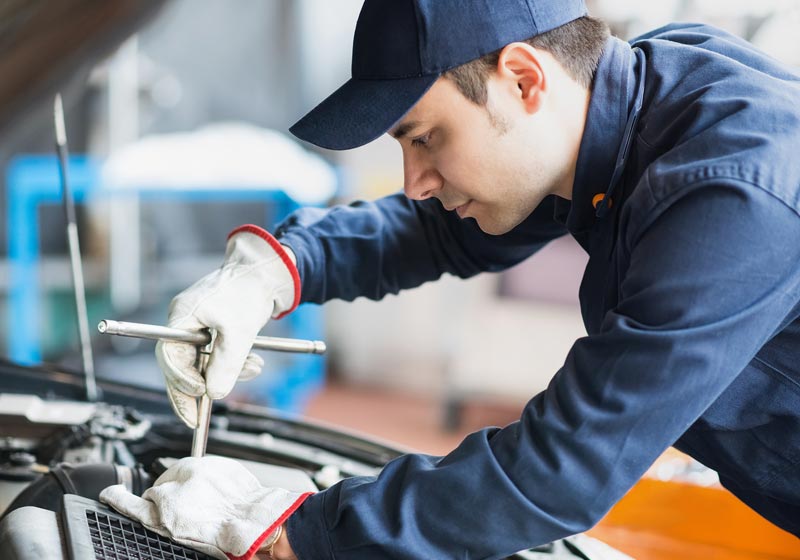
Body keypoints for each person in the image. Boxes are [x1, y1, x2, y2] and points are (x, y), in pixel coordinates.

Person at [100, 0, 800, 558]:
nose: (415, 183)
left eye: (426, 137)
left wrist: (298, 535)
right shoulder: (628, 98)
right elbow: (436, 230)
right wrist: (272, 274)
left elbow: (561, 470)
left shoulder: (729, 190)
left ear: (524, 79)